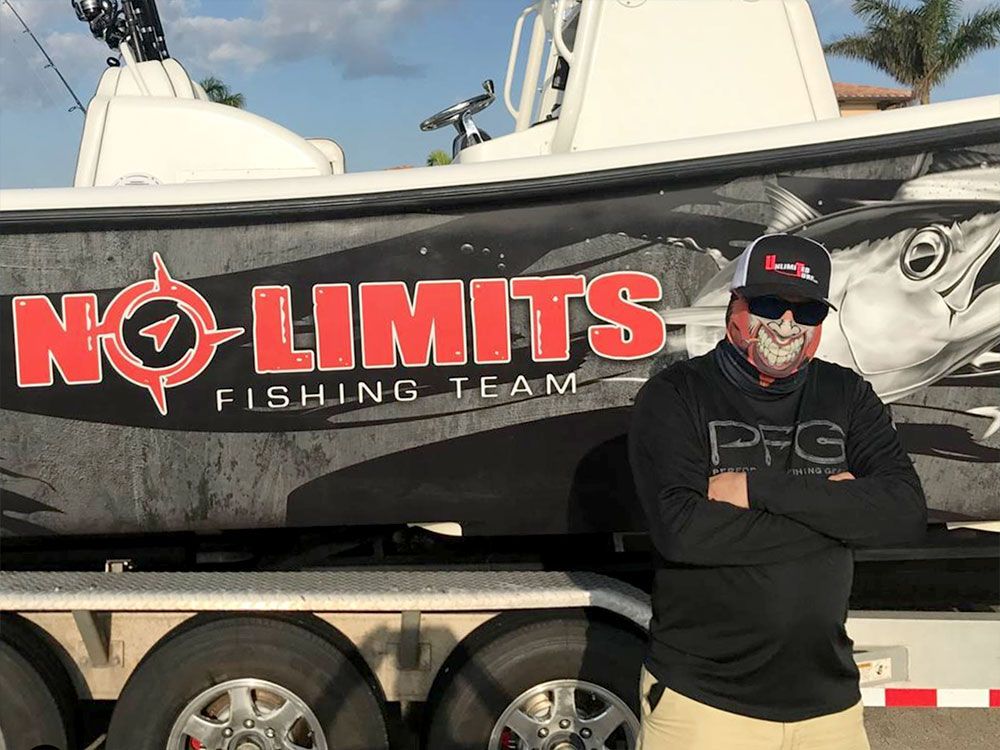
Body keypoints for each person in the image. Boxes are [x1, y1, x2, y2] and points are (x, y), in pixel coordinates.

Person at [628, 233, 927, 750]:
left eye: (806, 310)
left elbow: (904, 514)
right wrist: (840, 516)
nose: (787, 324)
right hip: (703, 705)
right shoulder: (676, 395)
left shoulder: (848, 394)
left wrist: (755, 488)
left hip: (830, 709)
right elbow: (683, 532)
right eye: (769, 304)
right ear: (735, 305)